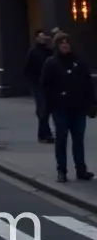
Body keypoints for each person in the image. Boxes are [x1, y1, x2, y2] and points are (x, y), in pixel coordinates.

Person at [41, 32, 96, 184]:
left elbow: (88, 84)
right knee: (61, 140)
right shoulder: (51, 63)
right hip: (60, 108)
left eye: (67, 43)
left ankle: (81, 169)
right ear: (57, 46)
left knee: (78, 140)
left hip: (78, 108)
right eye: (62, 43)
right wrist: (48, 107)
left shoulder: (79, 61)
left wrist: (92, 104)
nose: (65, 45)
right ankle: (62, 170)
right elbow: (45, 86)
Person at [24, 30, 54, 143]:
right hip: (37, 84)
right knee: (43, 109)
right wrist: (32, 83)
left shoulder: (49, 52)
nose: (43, 39)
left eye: (44, 36)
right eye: (40, 37)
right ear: (36, 39)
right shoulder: (33, 52)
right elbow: (27, 69)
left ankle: (43, 134)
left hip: (49, 84)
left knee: (46, 109)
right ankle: (46, 134)